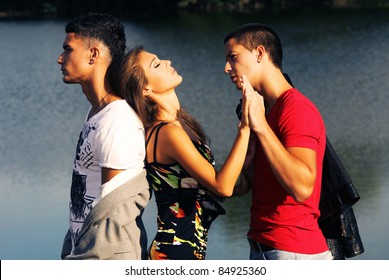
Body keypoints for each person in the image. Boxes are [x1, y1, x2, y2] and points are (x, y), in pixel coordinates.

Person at [109, 46, 251, 260]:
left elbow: (212, 189)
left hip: (186, 250)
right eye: (156, 64)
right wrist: (246, 128)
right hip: (174, 252)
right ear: (145, 88)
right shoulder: (167, 132)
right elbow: (222, 186)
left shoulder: (181, 124)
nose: (166, 62)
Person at [224, 23, 333, 260]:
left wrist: (261, 127)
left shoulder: (295, 110)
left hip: (293, 251)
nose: (226, 68)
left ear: (260, 53)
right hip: (268, 247)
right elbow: (246, 186)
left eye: (233, 58)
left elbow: (303, 188)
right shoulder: (262, 109)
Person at [57, 13, 150, 260]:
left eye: (67, 49)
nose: (60, 58)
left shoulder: (117, 120)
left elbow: (113, 214)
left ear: (93, 54)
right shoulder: (98, 112)